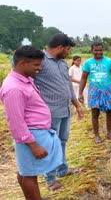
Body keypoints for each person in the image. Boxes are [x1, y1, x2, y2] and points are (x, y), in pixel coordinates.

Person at [0, 46, 63, 199]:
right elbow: (16, 122)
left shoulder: (25, 80)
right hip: (30, 136)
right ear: (22, 64)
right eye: (36, 65)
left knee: (25, 171)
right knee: (29, 175)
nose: (40, 68)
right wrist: (33, 145)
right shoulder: (14, 88)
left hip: (35, 133)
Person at [34, 33, 84, 191]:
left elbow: (67, 84)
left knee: (62, 141)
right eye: (68, 49)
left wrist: (76, 103)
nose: (69, 53)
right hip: (49, 112)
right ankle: (50, 179)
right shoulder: (39, 60)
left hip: (65, 109)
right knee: (50, 144)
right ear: (60, 47)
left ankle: (62, 169)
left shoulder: (62, 63)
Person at [78, 42, 111, 143]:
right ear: (92, 51)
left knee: (109, 112)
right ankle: (96, 135)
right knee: (95, 113)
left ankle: (109, 132)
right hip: (94, 90)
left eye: (100, 50)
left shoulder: (109, 61)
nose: (98, 52)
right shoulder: (88, 63)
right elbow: (83, 78)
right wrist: (80, 93)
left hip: (107, 89)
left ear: (103, 50)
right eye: (96, 50)